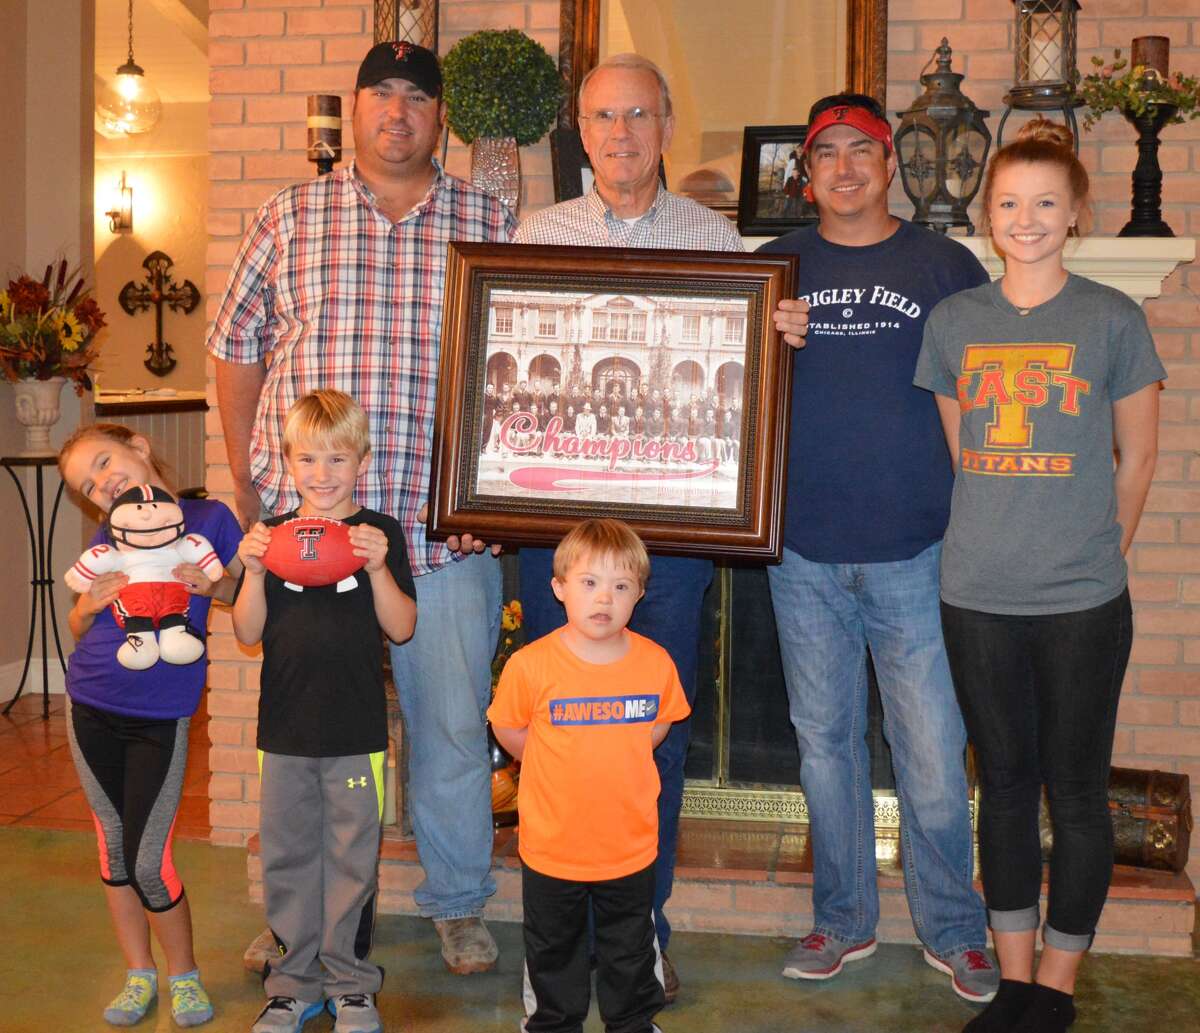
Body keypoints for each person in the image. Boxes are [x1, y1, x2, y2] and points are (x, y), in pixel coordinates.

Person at [207, 41, 515, 975]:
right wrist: (249, 484)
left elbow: (524, 369)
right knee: (309, 737)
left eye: (417, 97)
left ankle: (457, 901)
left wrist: (491, 499)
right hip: (307, 534)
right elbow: (234, 349)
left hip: (437, 532)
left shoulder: (488, 218)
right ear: (355, 107)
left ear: (440, 117)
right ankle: (300, 916)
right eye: (380, 94)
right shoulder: (287, 216)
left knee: (454, 725)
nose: (397, 112)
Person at [510, 52, 807, 999]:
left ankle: (644, 933)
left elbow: (744, 392)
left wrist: (780, 339)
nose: (621, 134)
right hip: (554, 539)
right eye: (603, 117)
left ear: (667, 126)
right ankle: (552, 946)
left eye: (639, 114)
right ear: (581, 132)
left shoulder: (720, 242)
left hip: (667, 549)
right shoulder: (535, 232)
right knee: (553, 729)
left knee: (655, 738)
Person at [915, 119, 1164, 1033]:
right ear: (989, 216)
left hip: (1082, 600)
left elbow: (1136, 459)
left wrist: (1104, 555)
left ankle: (1056, 989)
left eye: (1046, 203)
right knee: (1006, 786)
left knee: (1078, 790)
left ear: (1075, 216)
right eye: (1010, 203)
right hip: (975, 593)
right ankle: (1013, 983)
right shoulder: (955, 323)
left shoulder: (1111, 318)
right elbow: (962, 455)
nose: (1026, 219)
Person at [756, 93, 997, 1001]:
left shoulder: (945, 263)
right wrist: (769, 345)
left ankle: (954, 929)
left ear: (890, 163)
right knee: (825, 748)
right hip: (803, 552)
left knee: (932, 748)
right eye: (828, 154)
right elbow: (729, 396)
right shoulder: (775, 266)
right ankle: (844, 918)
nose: (846, 167)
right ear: (807, 174)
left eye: (863, 150)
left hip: (918, 546)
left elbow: (985, 390)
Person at [234, 391, 418, 1033]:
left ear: (361, 461)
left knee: (350, 858)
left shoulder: (379, 533)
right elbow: (248, 632)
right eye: (308, 458)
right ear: (287, 461)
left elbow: (402, 628)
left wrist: (376, 568)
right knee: (287, 855)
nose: (322, 473)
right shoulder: (274, 535)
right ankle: (291, 983)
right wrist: (253, 572)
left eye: (337, 458)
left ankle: (350, 983)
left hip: (355, 731)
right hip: (283, 730)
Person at [58, 423, 243, 1029]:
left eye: (105, 461)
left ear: (139, 446)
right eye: (89, 484)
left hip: (159, 715)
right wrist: (85, 606)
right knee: (112, 851)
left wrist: (214, 585)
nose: (103, 483)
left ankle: (183, 975)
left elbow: (242, 589)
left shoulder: (209, 518)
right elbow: (81, 621)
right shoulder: (108, 533)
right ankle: (138, 973)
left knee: (147, 861)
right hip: (89, 702)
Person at [488, 519, 690, 1033]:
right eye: (589, 583)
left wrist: (614, 747)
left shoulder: (656, 662)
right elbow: (509, 728)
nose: (605, 598)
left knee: (630, 949)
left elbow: (659, 723)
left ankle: (634, 1023)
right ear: (558, 589)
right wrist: (555, 753)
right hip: (553, 847)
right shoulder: (531, 666)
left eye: (621, 586)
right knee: (554, 950)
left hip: (629, 846)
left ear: (639, 594)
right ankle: (553, 1024)